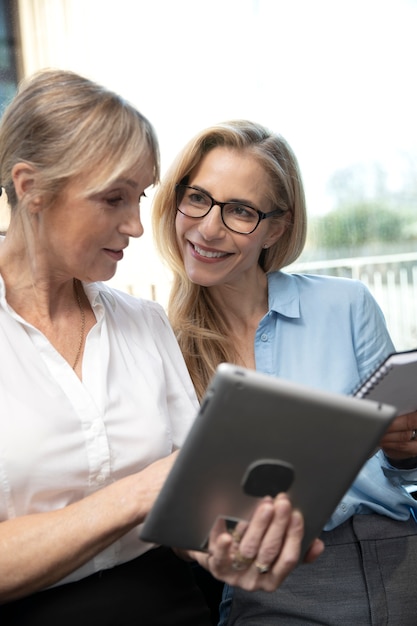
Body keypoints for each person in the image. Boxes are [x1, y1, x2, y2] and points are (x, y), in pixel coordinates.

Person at [0, 74, 323, 626]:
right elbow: (155, 489)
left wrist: (229, 548)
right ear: (30, 187)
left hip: (170, 606)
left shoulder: (144, 324)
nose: (136, 225)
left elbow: (192, 514)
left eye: (142, 196)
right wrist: (136, 495)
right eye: (113, 198)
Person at [152, 119, 417, 625]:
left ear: (275, 227)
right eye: (198, 198)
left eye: (241, 211)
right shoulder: (162, 346)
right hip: (272, 581)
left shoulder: (347, 305)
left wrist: (406, 450)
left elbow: (401, 467)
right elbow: (184, 511)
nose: (209, 227)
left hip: (395, 549)